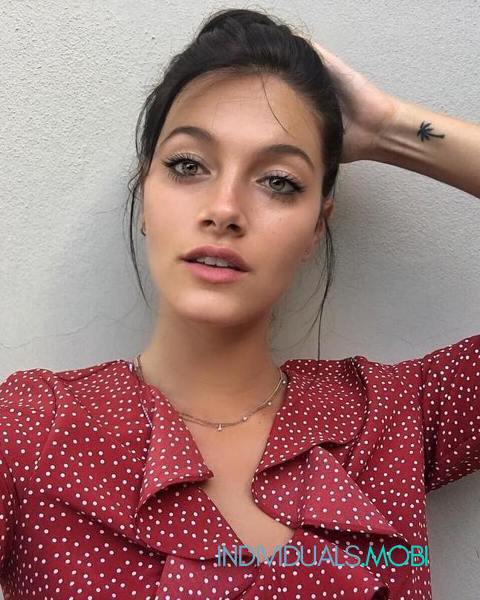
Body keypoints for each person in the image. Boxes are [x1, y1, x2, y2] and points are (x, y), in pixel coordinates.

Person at [0, 7, 478, 600]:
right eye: (188, 165)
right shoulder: (30, 432)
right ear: (144, 195)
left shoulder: (390, 418)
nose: (225, 209)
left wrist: (390, 129)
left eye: (278, 180)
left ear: (316, 226)